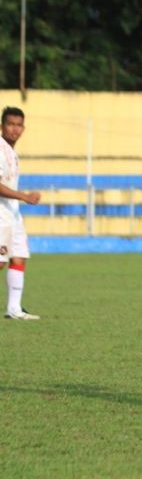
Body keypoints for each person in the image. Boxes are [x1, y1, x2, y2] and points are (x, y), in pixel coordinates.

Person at [0, 106, 41, 321]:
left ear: (23, 128)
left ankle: (14, 309)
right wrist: (23, 197)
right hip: (1, 215)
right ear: (1, 127)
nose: (15, 129)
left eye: (18, 125)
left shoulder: (12, 153)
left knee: (19, 256)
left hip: (12, 214)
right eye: (10, 124)